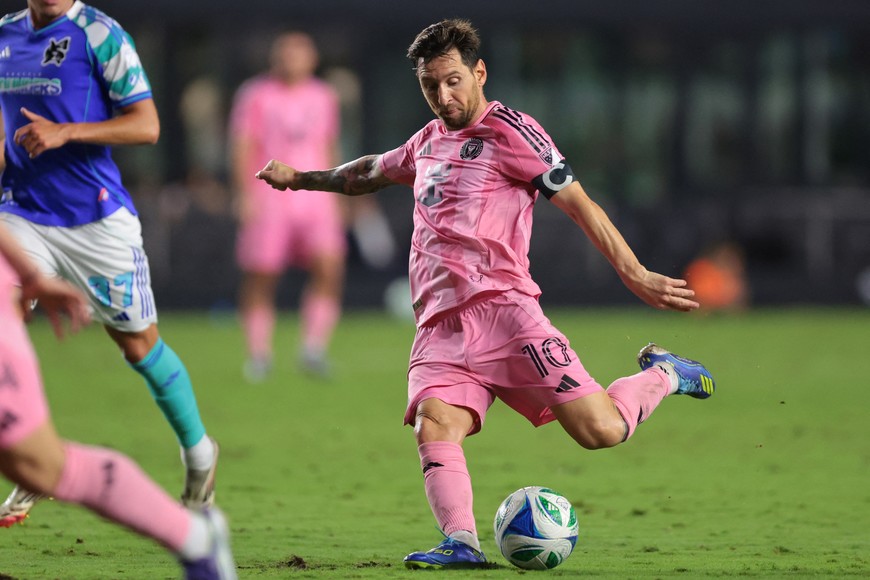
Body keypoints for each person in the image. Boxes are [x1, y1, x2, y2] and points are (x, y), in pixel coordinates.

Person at [256, 18, 716, 569]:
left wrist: (635, 273)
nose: (443, 96)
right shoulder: (425, 142)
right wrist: (302, 177)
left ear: (479, 73)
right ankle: (462, 544)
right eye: (431, 85)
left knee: (602, 431)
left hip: (507, 316)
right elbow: (366, 173)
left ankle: (665, 373)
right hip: (439, 327)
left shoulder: (513, 133)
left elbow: (580, 204)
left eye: (453, 81)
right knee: (435, 422)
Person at [0, 0, 218, 524]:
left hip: (95, 220)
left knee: (139, 346)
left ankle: (199, 453)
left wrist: (65, 131)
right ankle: (34, 460)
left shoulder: (101, 34)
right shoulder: (4, 36)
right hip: (20, 213)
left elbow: (146, 125)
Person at [0, 224, 237, 579]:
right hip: (21, 215)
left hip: (91, 216)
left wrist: (31, 274)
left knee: (44, 465)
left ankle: (197, 533)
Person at [229, 31, 347, 380]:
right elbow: (242, 145)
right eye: (286, 53)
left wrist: (340, 190)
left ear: (312, 59)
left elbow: (329, 145)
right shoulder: (255, 94)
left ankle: (313, 349)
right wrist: (244, 193)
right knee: (262, 274)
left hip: (316, 195)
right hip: (270, 197)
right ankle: (259, 354)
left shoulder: (324, 96)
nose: (291, 59)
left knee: (329, 267)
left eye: (299, 53)